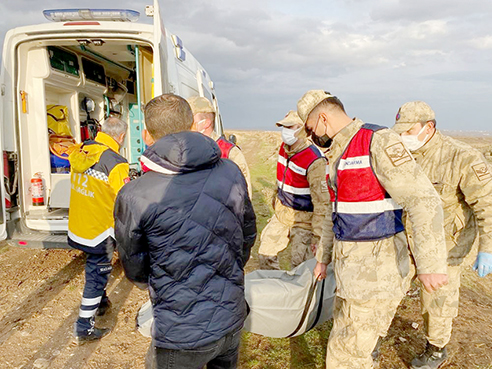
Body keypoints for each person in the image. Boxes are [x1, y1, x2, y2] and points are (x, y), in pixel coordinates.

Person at [297, 90, 449, 368]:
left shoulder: (377, 141)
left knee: (346, 356)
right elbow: (337, 213)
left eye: (310, 129)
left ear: (322, 118)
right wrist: (323, 259)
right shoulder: (338, 153)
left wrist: (431, 264)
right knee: (353, 347)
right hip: (351, 275)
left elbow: (422, 199)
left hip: (375, 277)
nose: (311, 137)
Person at [114, 94, 257, 369]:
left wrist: (165, 281)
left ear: (146, 135)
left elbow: (134, 266)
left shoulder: (134, 194)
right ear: (193, 124)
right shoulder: (230, 171)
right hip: (229, 319)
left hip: (180, 332)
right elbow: (247, 235)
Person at [392, 101, 492, 369]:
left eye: (409, 131)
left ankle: (436, 350)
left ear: (429, 127)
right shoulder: (401, 155)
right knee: (388, 289)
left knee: (437, 302)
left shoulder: (463, 158)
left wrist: (488, 248)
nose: (404, 137)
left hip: (446, 245)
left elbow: (487, 205)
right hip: (406, 239)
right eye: (400, 131)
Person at [68, 117, 130, 343]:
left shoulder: (83, 149)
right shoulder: (115, 161)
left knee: (94, 267)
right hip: (100, 231)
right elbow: (124, 198)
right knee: (97, 274)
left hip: (79, 225)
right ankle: (84, 327)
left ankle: (102, 302)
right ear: (121, 136)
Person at [257, 110, 329, 269]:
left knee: (300, 266)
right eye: (284, 127)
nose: (285, 131)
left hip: (303, 221)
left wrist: (317, 237)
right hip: (282, 214)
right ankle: (273, 288)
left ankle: (299, 292)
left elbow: (322, 203)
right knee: (265, 253)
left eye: (291, 127)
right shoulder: (284, 148)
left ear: (303, 130)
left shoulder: (314, 161)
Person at [187, 96, 252, 198]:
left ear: (206, 123)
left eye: (190, 121)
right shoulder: (183, 149)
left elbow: (243, 198)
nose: (186, 125)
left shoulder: (230, 153)